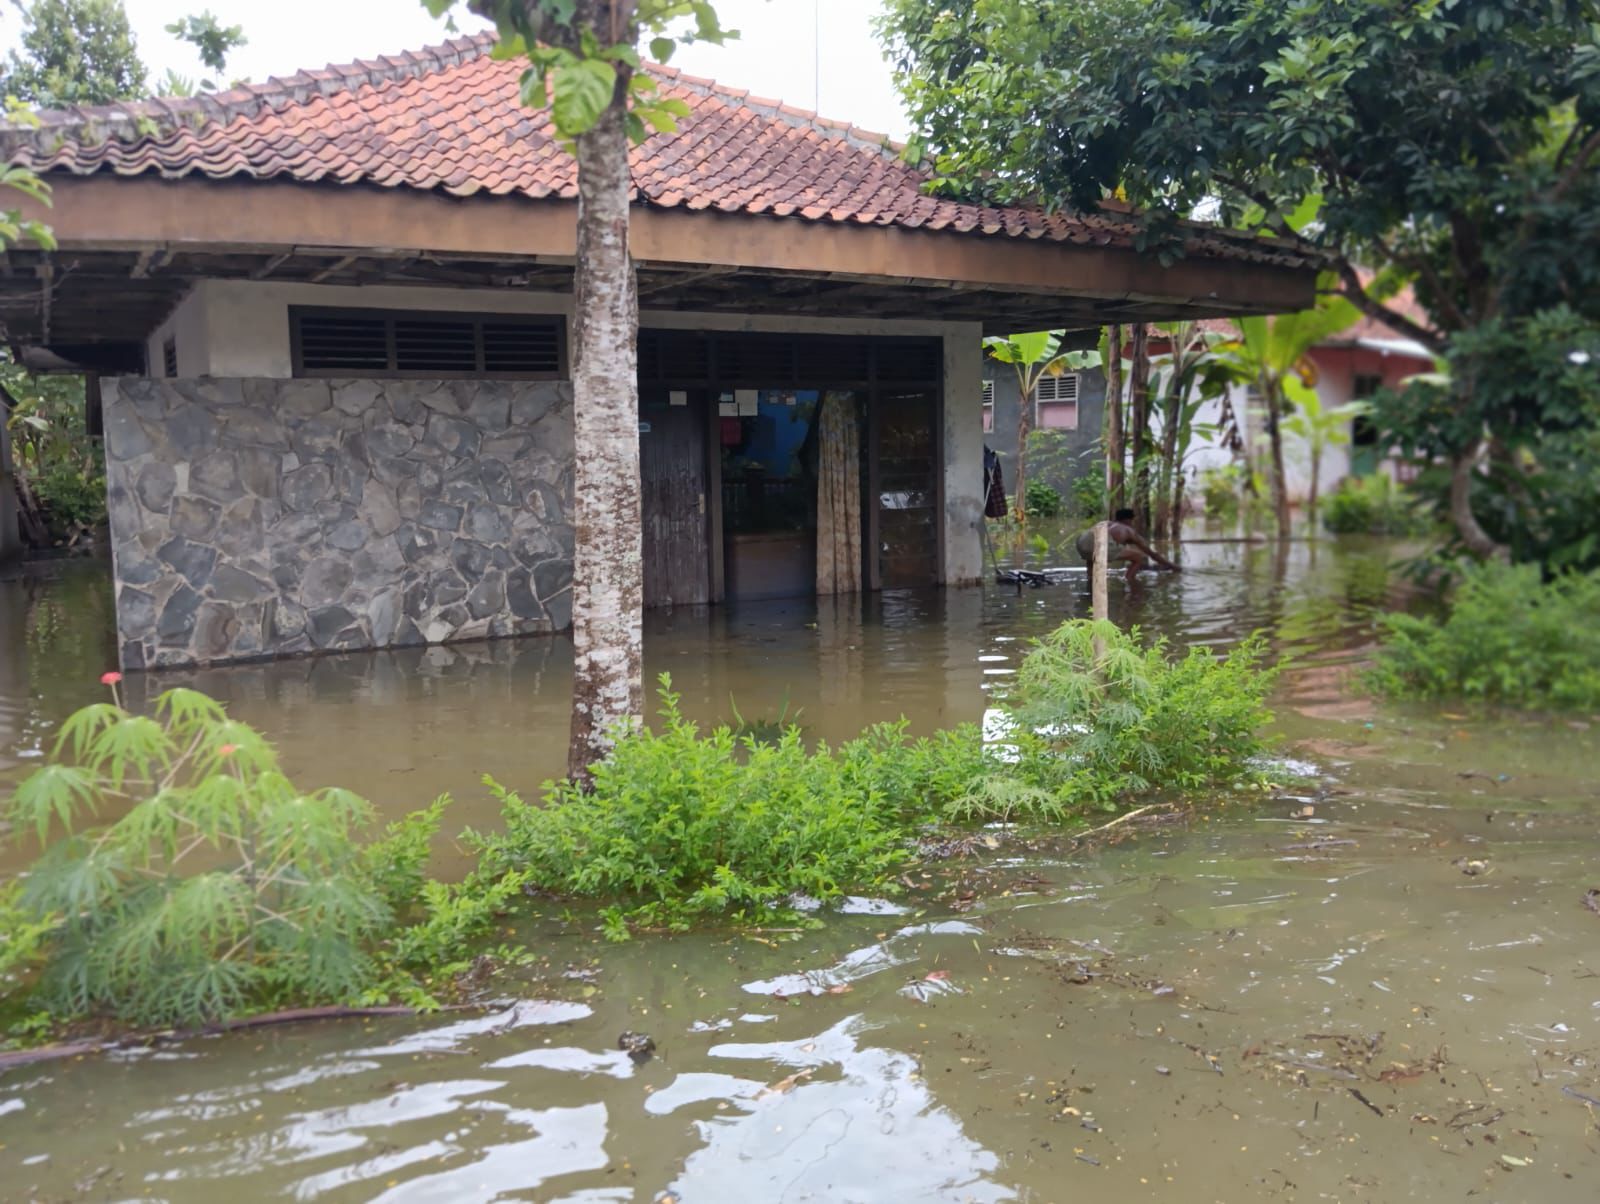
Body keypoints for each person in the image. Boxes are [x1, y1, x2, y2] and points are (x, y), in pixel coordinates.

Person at [1075, 508, 1181, 583]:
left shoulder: (1105, 523)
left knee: (1092, 557)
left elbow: (1093, 540)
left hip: (1082, 541)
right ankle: (1129, 580)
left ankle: (1091, 580)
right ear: (1129, 520)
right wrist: (1173, 566)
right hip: (1099, 545)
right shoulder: (1129, 531)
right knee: (1138, 557)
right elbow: (1152, 555)